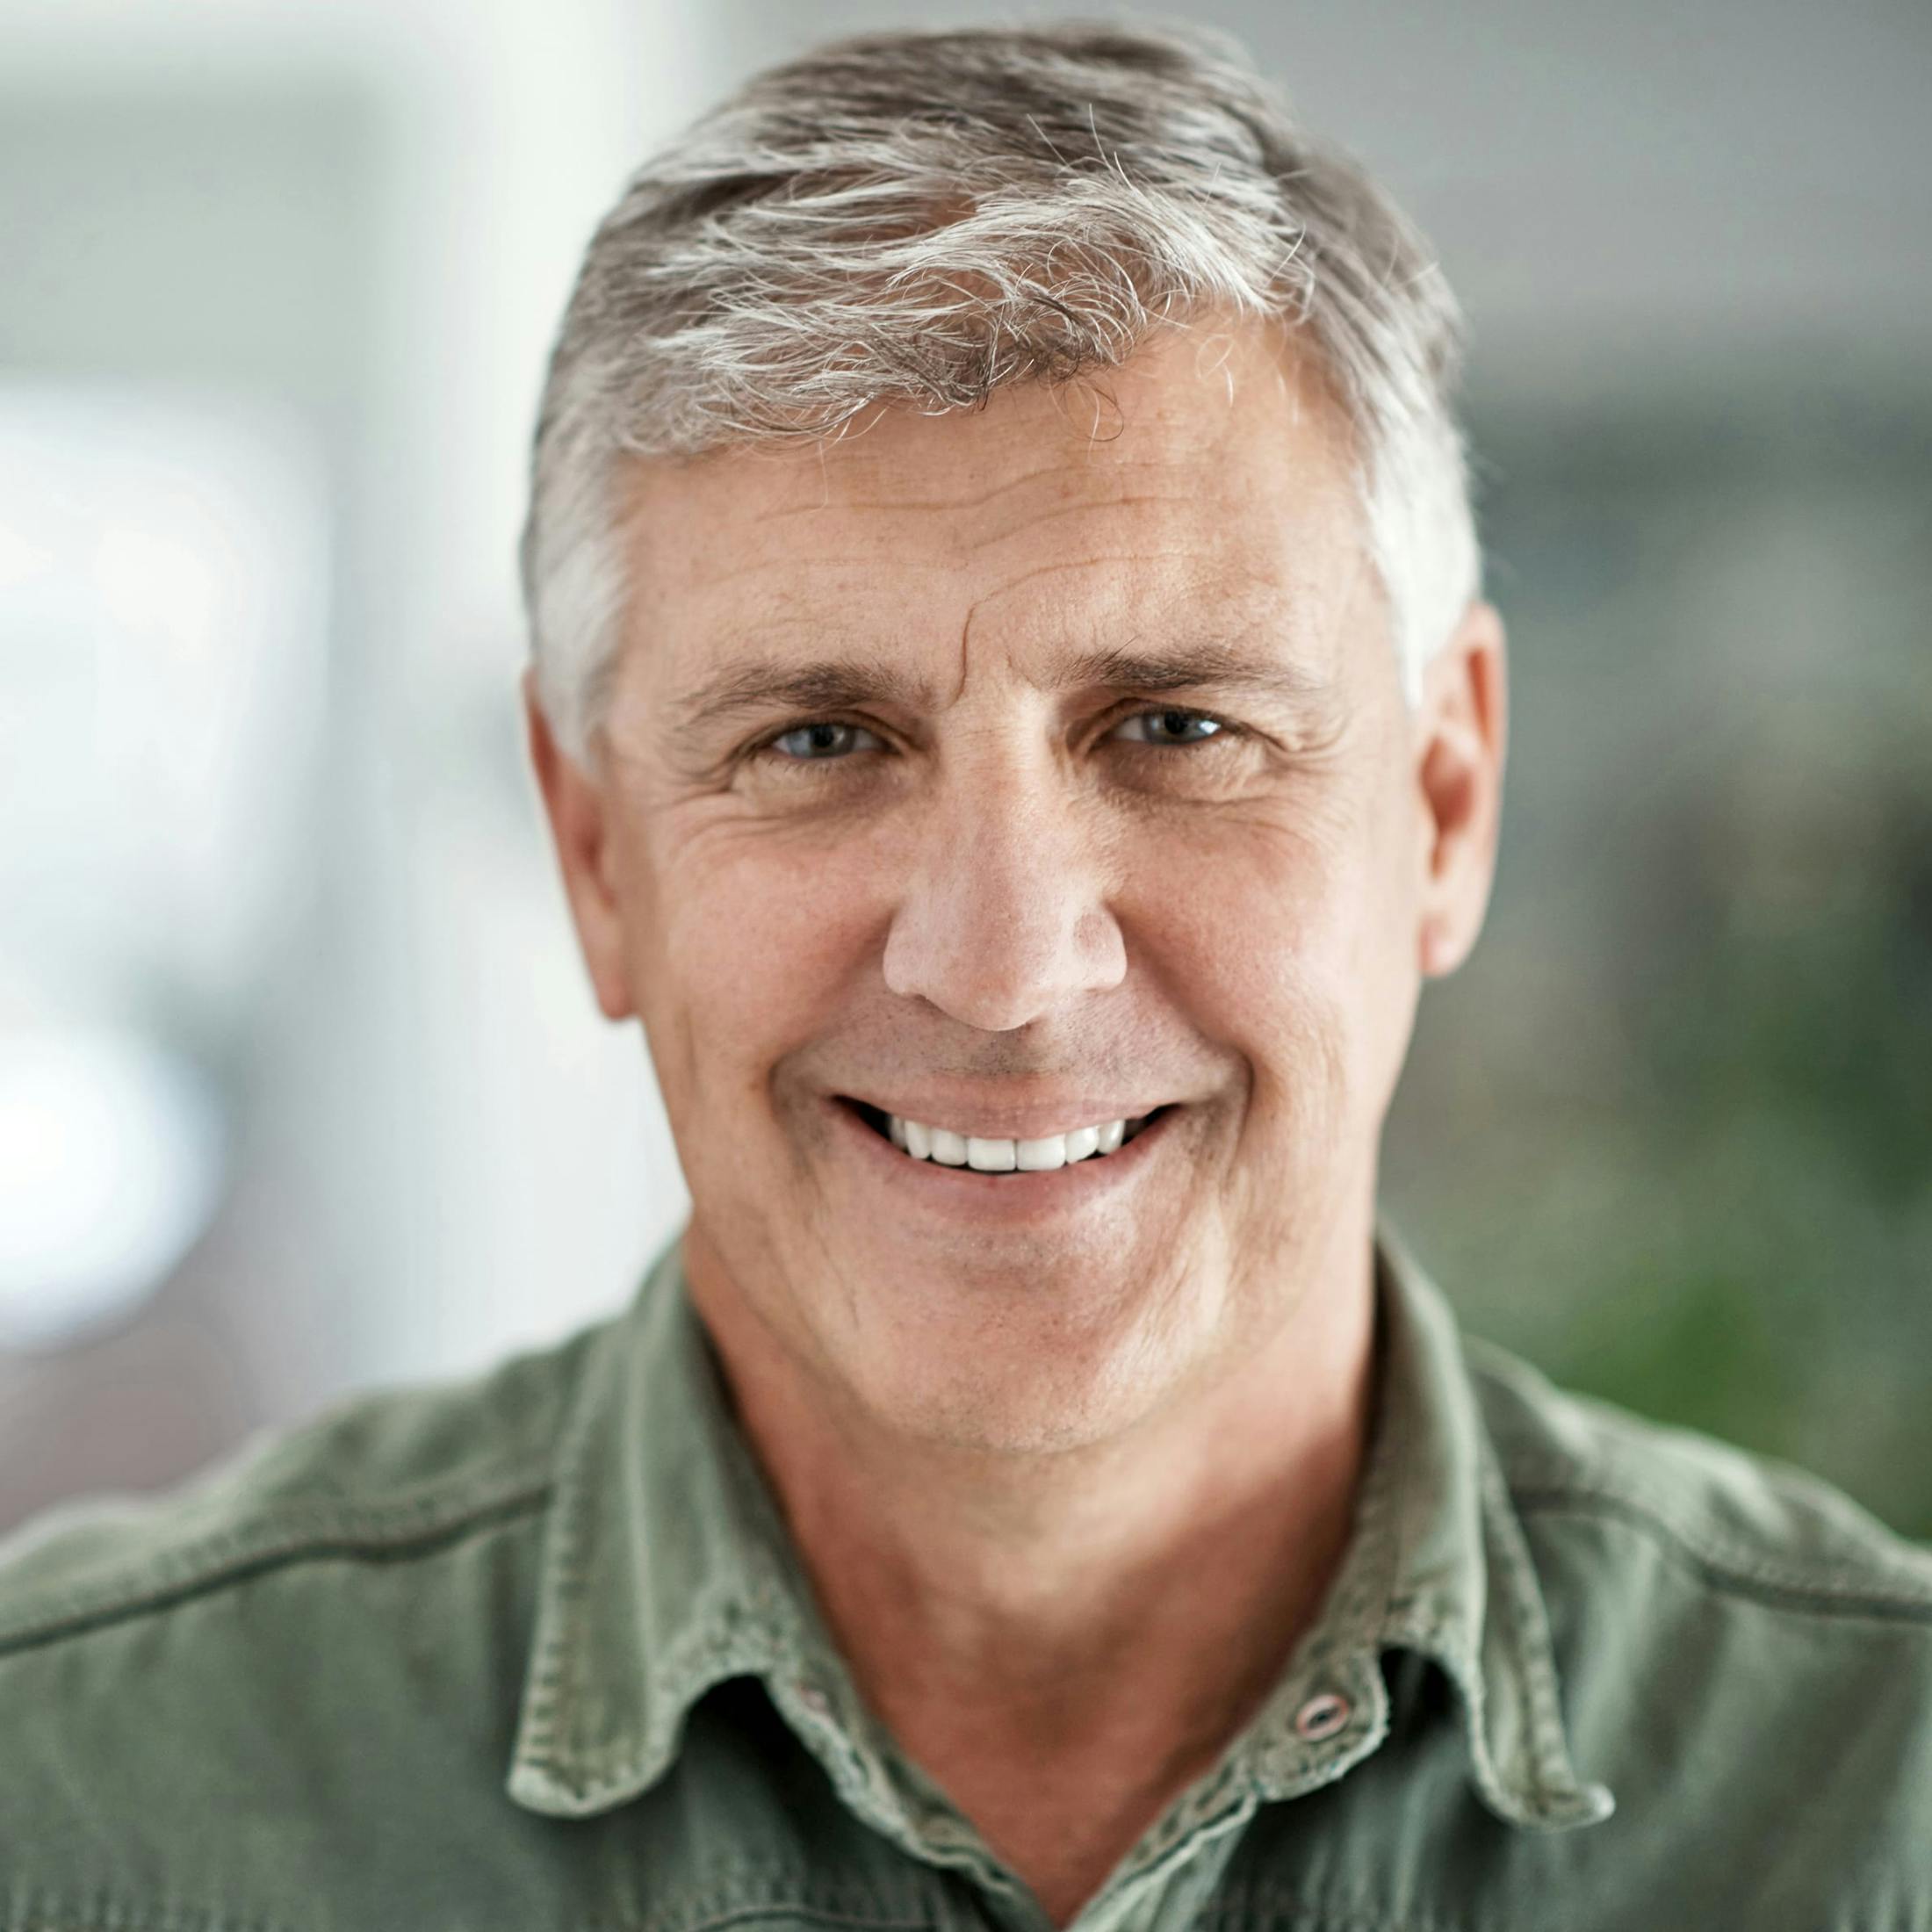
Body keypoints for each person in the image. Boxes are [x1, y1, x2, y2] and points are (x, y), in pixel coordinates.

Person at [2, 23, 1928, 1928]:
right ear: (595, 850)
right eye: (819, 741)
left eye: (1171, 726)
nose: (1004, 969)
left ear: (1441, 798)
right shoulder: (76, 1792)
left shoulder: (1875, 1794)